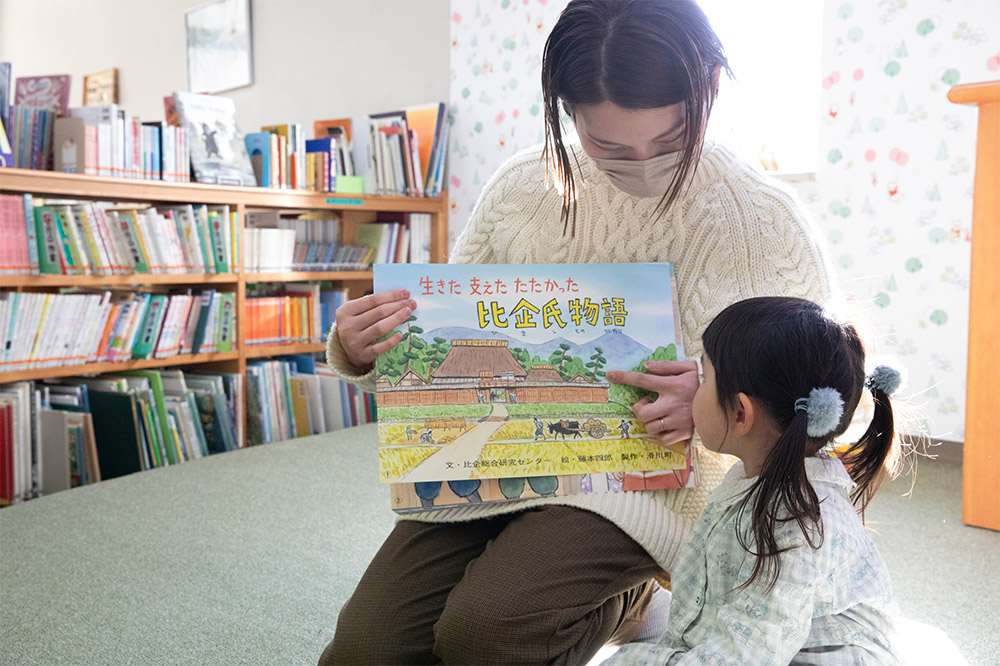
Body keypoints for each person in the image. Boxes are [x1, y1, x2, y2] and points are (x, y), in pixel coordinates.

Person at [321, 0, 837, 663]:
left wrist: (716, 400)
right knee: (367, 649)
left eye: (670, 138)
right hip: (490, 469)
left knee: (489, 630)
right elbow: (448, 329)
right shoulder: (521, 189)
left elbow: (823, 397)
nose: (644, 164)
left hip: (649, 484)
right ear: (565, 111)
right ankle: (618, 598)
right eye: (610, 145)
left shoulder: (762, 220)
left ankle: (632, 600)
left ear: (709, 88)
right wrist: (363, 344)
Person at [604, 297, 903, 665]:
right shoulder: (766, 478)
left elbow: (744, 658)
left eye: (705, 376)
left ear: (741, 413)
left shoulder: (793, 530)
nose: (694, 389)